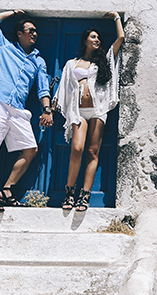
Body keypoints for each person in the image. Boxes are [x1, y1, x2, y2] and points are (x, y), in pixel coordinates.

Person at [0, 9, 52, 214]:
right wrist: (12, 12)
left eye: (36, 31)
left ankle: (7, 190)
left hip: (18, 108)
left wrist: (47, 110)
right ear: (19, 34)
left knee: (31, 149)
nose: (35, 33)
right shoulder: (4, 47)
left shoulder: (38, 61)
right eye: (30, 30)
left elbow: (43, 88)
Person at [52, 12, 124, 211]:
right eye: (93, 37)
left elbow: (121, 38)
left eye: (99, 37)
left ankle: (84, 195)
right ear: (85, 40)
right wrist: (52, 108)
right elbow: (63, 90)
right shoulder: (71, 64)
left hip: (98, 111)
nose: (97, 40)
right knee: (76, 150)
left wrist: (117, 17)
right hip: (78, 112)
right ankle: (69, 192)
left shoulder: (104, 61)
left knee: (93, 152)